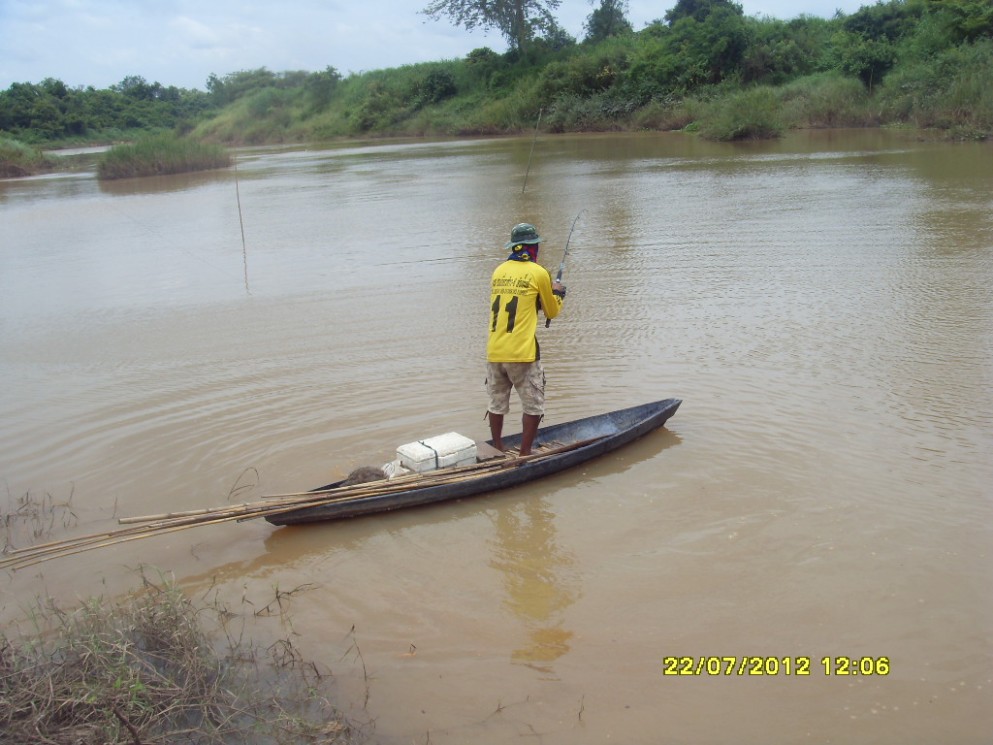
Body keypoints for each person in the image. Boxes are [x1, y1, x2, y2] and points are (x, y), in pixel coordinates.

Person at [486, 223, 566, 456]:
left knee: (496, 403)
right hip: (522, 353)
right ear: (534, 247)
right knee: (533, 405)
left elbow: (521, 300)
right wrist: (558, 293)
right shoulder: (539, 272)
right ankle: (524, 453)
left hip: (494, 350)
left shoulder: (498, 271)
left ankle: (498, 448)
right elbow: (551, 311)